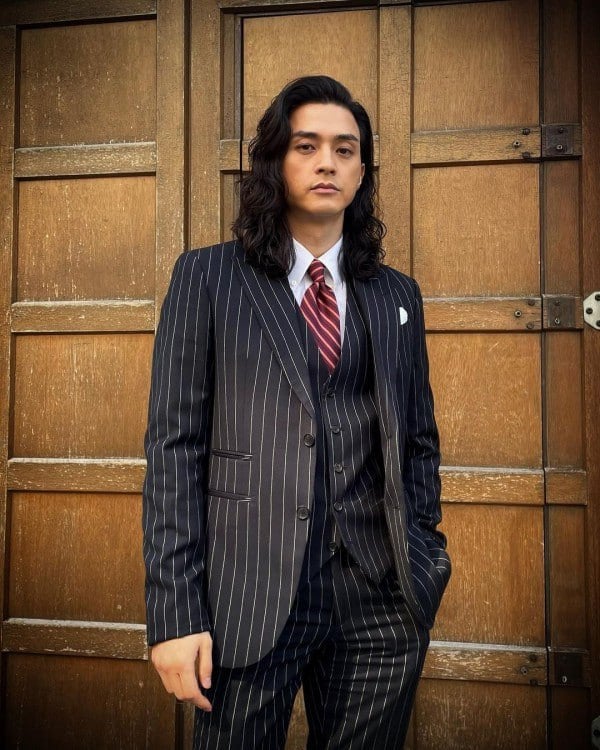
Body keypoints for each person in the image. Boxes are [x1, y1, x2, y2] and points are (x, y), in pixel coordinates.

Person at [142, 75, 450, 749]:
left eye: (345, 149)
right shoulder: (207, 278)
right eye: (306, 146)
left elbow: (418, 439)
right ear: (276, 161)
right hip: (247, 601)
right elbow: (174, 450)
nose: (327, 163)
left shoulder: (396, 294)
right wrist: (174, 612)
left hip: (379, 600)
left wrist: (424, 556)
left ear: (362, 170)